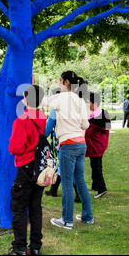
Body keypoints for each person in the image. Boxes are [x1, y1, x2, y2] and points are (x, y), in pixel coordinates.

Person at [41, 71, 93, 229]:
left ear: (65, 82)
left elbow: (40, 100)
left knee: (68, 183)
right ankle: (87, 216)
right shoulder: (79, 100)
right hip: (80, 143)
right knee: (80, 181)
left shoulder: (61, 98)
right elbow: (86, 125)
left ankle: (67, 220)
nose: (58, 83)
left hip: (68, 144)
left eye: (59, 80)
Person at [8, 84, 47, 255]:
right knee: (36, 207)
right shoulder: (45, 119)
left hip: (25, 166)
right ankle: (36, 247)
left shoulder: (21, 120)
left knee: (19, 207)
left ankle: (20, 248)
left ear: (25, 98)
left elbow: (15, 148)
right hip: (41, 168)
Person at [85, 92, 111, 199]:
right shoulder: (103, 113)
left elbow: (87, 132)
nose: (87, 104)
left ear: (93, 102)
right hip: (100, 145)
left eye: (88, 102)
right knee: (95, 165)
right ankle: (95, 185)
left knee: (96, 167)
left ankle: (101, 188)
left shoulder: (95, 117)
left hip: (96, 146)